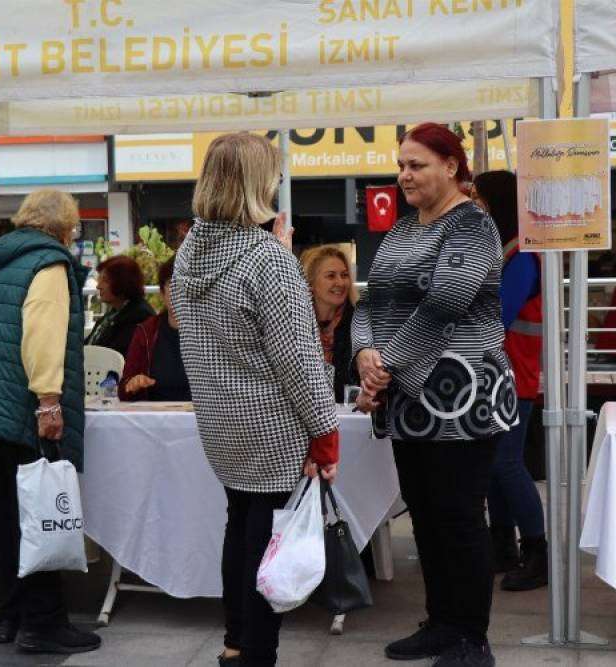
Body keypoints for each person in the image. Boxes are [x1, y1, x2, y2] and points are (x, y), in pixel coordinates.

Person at [170, 132, 339, 667]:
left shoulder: (189, 253)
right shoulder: (267, 259)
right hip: (272, 424)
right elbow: (298, 359)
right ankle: (257, 654)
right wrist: (325, 430)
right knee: (269, 547)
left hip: (222, 421)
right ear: (257, 183)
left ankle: (235, 644)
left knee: (241, 528)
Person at [352, 123, 517, 667]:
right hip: (409, 403)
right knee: (424, 517)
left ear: (451, 166)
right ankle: (442, 623)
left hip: (463, 401)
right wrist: (363, 353)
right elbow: (367, 304)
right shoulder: (401, 230)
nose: (404, 175)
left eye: (416, 164)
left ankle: (471, 638)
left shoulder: (473, 226)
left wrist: (383, 366)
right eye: (401, 165)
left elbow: (444, 305)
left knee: (459, 519)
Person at [0, 189, 101, 655]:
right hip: (18, 408)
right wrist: (48, 401)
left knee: (4, 519)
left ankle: (10, 614)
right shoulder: (48, 263)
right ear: (64, 228)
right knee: (38, 515)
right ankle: (44, 623)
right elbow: (41, 336)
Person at [473, 170, 548, 592]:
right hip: (499, 374)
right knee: (494, 465)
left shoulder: (520, 255)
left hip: (514, 376)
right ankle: (503, 546)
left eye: (479, 199)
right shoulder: (507, 251)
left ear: (497, 203)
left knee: (505, 462)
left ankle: (536, 551)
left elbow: (497, 315)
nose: (475, 207)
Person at [118, 255, 191, 402]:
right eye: (172, 284)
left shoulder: (211, 331)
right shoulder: (146, 331)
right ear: (162, 292)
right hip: (155, 413)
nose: (179, 291)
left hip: (202, 414)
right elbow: (124, 390)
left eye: (186, 284)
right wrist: (134, 383)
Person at [300, 245, 357, 395]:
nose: (340, 283)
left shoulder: (360, 323)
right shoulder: (297, 325)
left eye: (344, 275)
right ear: (310, 283)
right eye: (331, 276)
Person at [84, 255, 155, 358]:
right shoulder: (115, 312)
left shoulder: (139, 317)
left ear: (122, 282)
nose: (98, 286)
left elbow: (115, 355)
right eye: (99, 279)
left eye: (105, 280)